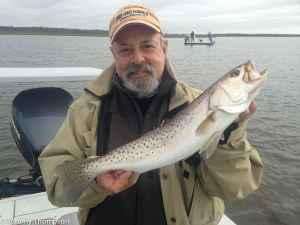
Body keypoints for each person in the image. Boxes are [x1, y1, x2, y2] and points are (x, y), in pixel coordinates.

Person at [39, 4, 263, 225]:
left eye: (147, 46)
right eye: (125, 49)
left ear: (164, 48)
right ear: (113, 53)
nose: (138, 58)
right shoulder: (85, 111)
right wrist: (96, 182)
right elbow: (57, 186)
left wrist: (229, 132)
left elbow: (235, 189)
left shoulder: (196, 104)